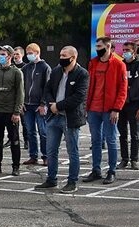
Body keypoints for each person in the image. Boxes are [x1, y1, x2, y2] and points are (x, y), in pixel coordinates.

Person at [35, 46, 89, 194]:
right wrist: (52, 104)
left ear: (73, 57)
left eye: (64, 55)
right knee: (51, 150)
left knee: (73, 151)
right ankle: (51, 179)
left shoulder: (81, 74)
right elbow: (47, 89)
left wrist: (58, 106)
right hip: (54, 117)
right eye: (60, 54)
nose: (61, 58)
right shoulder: (56, 71)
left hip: (70, 118)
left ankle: (72, 182)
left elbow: (79, 97)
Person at [82, 37, 127, 185]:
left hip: (109, 109)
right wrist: (86, 106)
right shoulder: (93, 63)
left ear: (108, 47)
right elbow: (89, 86)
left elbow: (122, 88)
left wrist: (116, 108)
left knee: (111, 140)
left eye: (100, 46)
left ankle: (111, 171)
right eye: (96, 46)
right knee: (95, 141)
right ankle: (96, 170)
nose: (97, 48)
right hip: (94, 108)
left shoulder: (118, 64)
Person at [0, 45, 24, 176]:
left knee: (14, 140)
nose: (0, 56)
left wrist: (17, 112)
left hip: (11, 111)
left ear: (10, 56)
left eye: (3, 54)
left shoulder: (16, 72)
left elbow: (20, 93)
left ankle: (15, 166)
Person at [118, 42, 139, 170]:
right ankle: (124, 159)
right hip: (121, 104)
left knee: (135, 134)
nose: (125, 52)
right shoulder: (120, 65)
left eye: (128, 50)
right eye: (124, 50)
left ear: (134, 51)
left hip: (134, 104)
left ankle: (134, 159)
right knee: (122, 133)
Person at [21, 43, 51, 166]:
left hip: (39, 105)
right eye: (27, 53)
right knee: (30, 131)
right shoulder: (26, 68)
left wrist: (43, 103)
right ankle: (33, 155)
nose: (29, 56)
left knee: (43, 131)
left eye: (30, 53)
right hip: (27, 104)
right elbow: (21, 86)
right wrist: (21, 102)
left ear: (37, 53)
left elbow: (47, 87)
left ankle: (46, 156)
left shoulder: (45, 67)